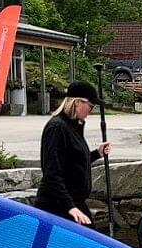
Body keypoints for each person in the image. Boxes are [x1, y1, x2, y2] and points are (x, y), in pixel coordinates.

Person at [34, 81, 111, 225]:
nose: (92, 110)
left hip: (74, 202)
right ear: (77, 103)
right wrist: (70, 207)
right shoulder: (57, 128)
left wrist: (97, 153)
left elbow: (73, 161)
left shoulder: (74, 127)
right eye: (91, 105)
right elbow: (51, 172)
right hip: (57, 205)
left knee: (91, 242)